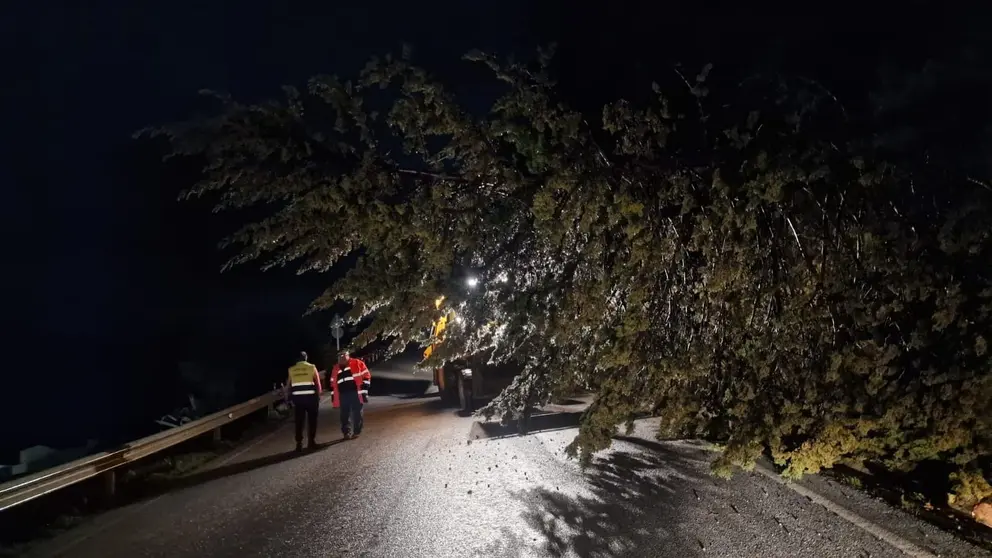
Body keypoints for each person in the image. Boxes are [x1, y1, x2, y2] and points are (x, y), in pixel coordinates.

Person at [285, 351, 322, 452]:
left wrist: (287, 398)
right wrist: (318, 396)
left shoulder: (291, 369)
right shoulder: (312, 367)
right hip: (311, 399)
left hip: (298, 400)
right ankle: (311, 442)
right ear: (306, 358)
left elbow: (288, 386)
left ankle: (299, 444)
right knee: (312, 421)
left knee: (299, 422)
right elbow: (318, 384)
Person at [330, 349, 371, 440]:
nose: (342, 357)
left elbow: (366, 375)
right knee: (344, 415)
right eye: (340, 356)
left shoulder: (357, 363)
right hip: (343, 395)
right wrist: (333, 396)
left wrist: (364, 390)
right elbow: (333, 383)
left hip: (356, 393)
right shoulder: (336, 368)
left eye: (343, 355)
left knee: (357, 413)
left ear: (348, 355)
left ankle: (356, 431)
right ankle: (346, 433)